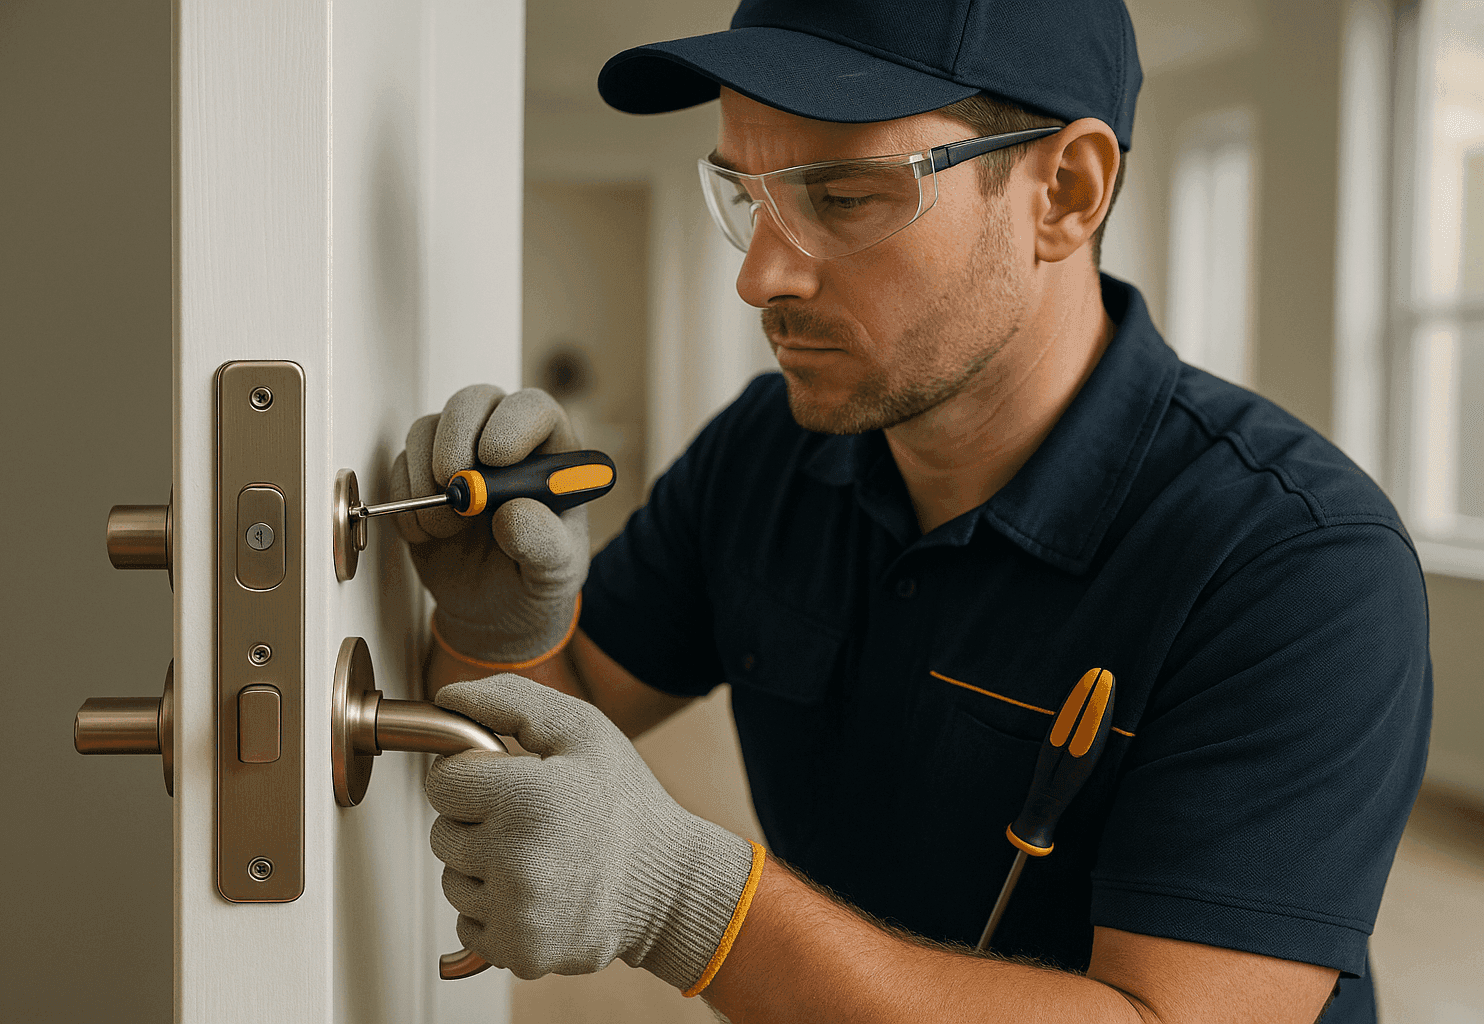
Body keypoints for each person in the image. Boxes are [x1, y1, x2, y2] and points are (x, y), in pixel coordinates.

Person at [390, 2, 1431, 1021]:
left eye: (843, 196)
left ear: (1065, 191)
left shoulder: (1299, 563)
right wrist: (493, 630)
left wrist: (695, 905)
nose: (759, 276)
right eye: (745, 193)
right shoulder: (768, 449)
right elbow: (543, 726)